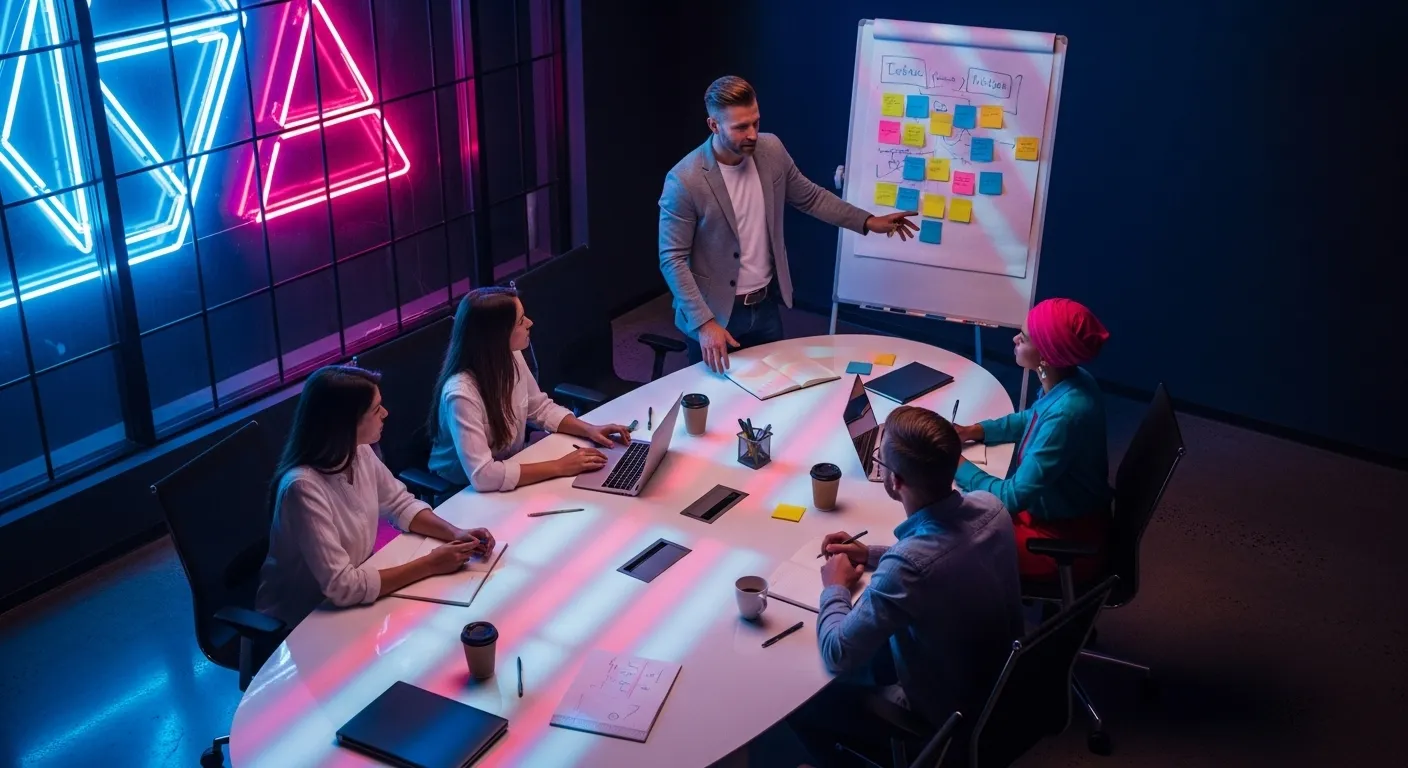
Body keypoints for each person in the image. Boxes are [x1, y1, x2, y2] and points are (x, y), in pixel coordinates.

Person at [659, 75, 919, 373]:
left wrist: (868, 221)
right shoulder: (684, 180)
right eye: (741, 127)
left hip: (766, 303)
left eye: (755, 122)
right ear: (713, 125)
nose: (753, 134)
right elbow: (672, 259)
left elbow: (810, 197)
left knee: (773, 393)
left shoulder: (771, 150)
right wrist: (704, 324)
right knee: (716, 400)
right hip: (714, 314)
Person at [814, 406, 1023, 732]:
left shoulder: (907, 568)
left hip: (946, 713)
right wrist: (869, 554)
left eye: (879, 463)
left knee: (812, 690)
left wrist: (835, 587)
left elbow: (837, 652)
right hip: (1001, 684)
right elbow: (945, 553)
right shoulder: (991, 507)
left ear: (895, 480)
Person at [257, 366, 496, 628]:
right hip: (303, 622)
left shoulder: (359, 453)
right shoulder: (302, 488)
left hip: (353, 605)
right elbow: (342, 586)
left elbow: (399, 503)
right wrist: (430, 564)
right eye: (376, 409)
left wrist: (455, 533)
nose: (385, 414)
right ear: (347, 423)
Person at [953, 298, 1113, 582]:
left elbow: (1011, 499)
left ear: (1046, 356)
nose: (1015, 339)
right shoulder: (1069, 379)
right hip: (1060, 510)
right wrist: (973, 431)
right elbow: (1030, 418)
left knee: (946, 544)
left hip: (1062, 537)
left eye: (1024, 338)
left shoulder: (1066, 414)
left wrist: (956, 462)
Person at [428, 287, 633, 493]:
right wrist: (559, 466)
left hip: (510, 462)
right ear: (498, 335)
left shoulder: (509, 355)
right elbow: (483, 476)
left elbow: (539, 408)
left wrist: (590, 430)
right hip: (461, 490)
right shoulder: (461, 394)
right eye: (521, 320)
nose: (530, 323)